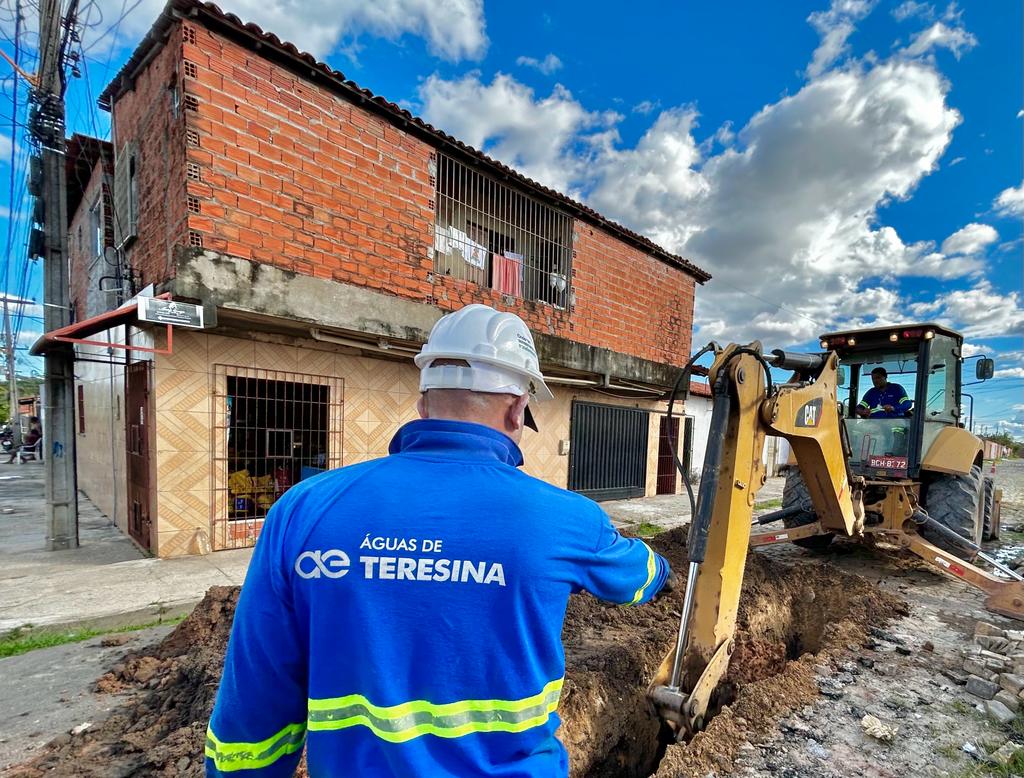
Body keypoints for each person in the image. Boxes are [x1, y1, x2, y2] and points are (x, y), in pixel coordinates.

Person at [205, 304, 673, 777]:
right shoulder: (566, 518)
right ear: (517, 407)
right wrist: (662, 568)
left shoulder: (304, 509)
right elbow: (635, 581)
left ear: (423, 403)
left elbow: (256, 698)